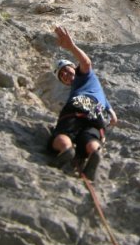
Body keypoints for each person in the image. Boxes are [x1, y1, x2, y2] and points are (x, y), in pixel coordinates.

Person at [49, 26, 117, 180]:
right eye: (62, 76)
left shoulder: (83, 77)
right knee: (89, 138)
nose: (65, 75)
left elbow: (86, 63)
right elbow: (113, 119)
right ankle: (94, 151)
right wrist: (103, 132)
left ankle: (66, 149)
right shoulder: (100, 96)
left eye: (66, 70)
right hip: (97, 112)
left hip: (77, 105)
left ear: (74, 67)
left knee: (62, 133)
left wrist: (71, 46)